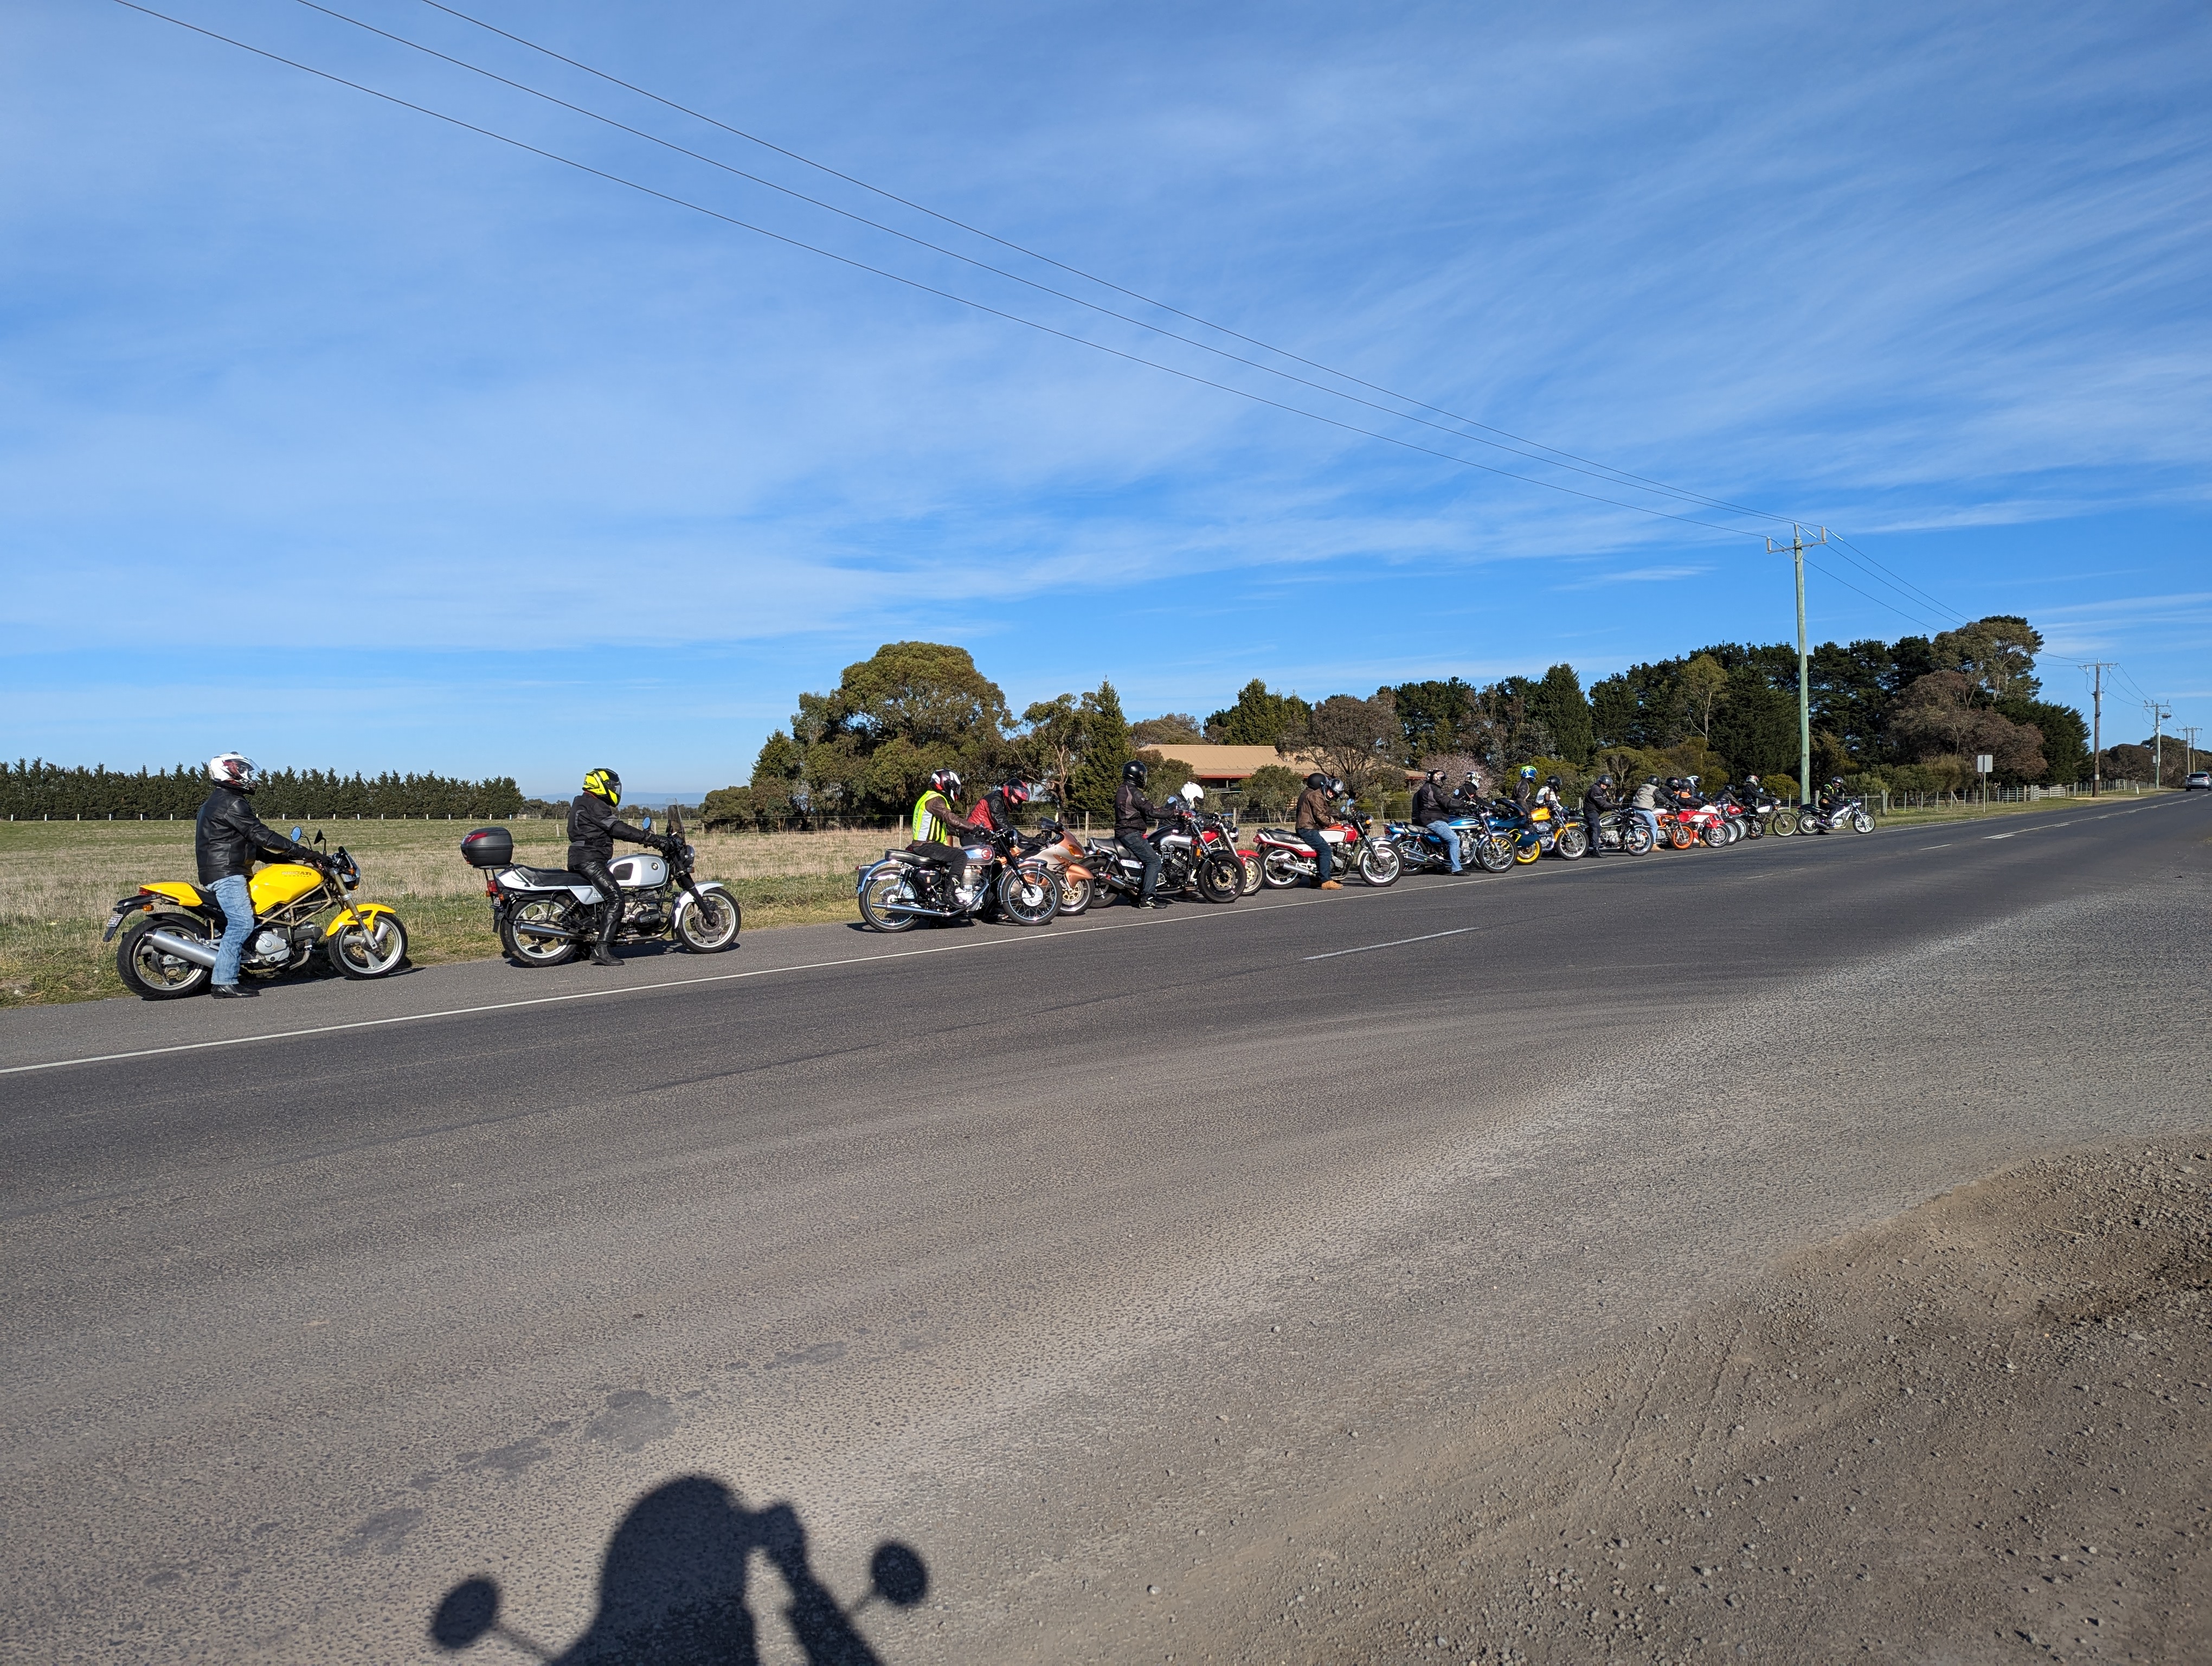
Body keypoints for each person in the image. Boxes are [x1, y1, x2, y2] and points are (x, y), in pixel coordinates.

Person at [195, 752, 323, 998]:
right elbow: (261, 835)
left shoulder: (219, 801)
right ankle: (224, 981)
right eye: (241, 770)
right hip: (228, 873)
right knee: (242, 923)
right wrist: (307, 853)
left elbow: (250, 845)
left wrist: (288, 859)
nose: (247, 775)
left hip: (222, 870)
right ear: (227, 772)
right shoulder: (231, 802)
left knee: (252, 919)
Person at [570, 767, 670, 967]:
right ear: (601, 786)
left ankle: (583, 947)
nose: (615, 790)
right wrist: (650, 838)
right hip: (590, 860)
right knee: (616, 898)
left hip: (583, 858)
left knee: (594, 904)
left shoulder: (583, 801)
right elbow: (617, 828)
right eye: (613, 787)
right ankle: (602, 949)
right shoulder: (595, 805)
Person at [1114, 759, 1165, 907]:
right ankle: (1147, 898)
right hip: (1131, 833)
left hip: (1125, 832)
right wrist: (1175, 813)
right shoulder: (1134, 792)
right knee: (1154, 861)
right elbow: (1152, 811)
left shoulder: (1123, 789)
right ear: (1137, 775)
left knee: (1141, 862)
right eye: (1143, 775)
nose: (1144, 778)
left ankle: (1134, 894)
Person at [1292, 771, 1342, 889]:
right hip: (1307, 828)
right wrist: (1331, 823)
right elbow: (1320, 815)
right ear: (1325, 786)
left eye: (1335, 794)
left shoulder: (1315, 795)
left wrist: (1341, 815)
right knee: (1325, 850)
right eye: (1331, 791)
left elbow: (1326, 810)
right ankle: (1326, 881)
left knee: (1319, 850)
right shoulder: (1316, 795)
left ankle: (1316, 880)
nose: (1332, 794)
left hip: (1307, 827)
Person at [1410, 767, 1461, 874]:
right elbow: (1448, 802)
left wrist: (1416, 821)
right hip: (1434, 820)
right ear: (1437, 779)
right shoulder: (1434, 789)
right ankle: (1457, 868)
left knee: (1439, 843)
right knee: (1454, 840)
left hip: (1424, 820)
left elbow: (1416, 809)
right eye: (1442, 779)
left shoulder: (1421, 791)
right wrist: (1464, 804)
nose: (1443, 782)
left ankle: (1439, 866)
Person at [964, 778, 1030, 836]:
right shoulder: (995, 800)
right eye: (1016, 797)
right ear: (1008, 792)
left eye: (1019, 801)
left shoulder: (1003, 802)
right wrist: (1027, 840)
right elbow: (1004, 826)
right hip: (972, 833)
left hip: (985, 834)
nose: (1016, 802)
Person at [1581, 771, 1618, 856]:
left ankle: (1591, 848)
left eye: (1607, 785)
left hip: (1596, 812)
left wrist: (1613, 806)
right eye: (1603, 784)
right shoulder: (1596, 789)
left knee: (1600, 826)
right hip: (1591, 811)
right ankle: (1596, 850)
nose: (1605, 786)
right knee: (1596, 828)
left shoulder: (1602, 791)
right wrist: (1614, 806)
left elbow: (1605, 802)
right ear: (1600, 782)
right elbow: (1602, 804)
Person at [1628, 775, 1664, 849]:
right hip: (1644, 810)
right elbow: (1662, 798)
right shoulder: (1654, 789)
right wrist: (1672, 804)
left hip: (1634, 809)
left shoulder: (1642, 787)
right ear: (1656, 782)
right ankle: (1653, 845)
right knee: (1654, 826)